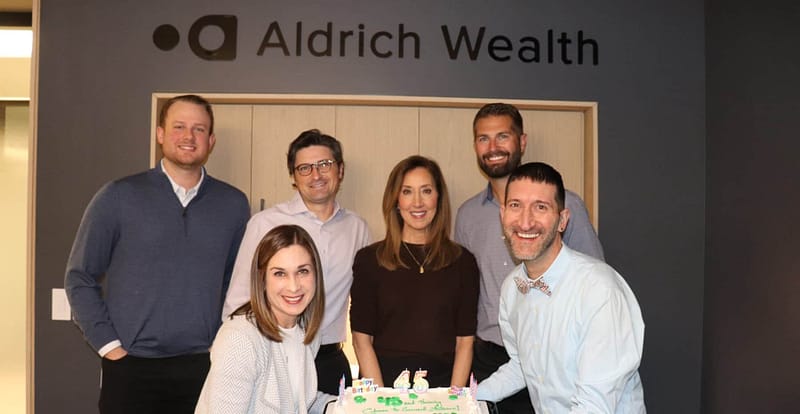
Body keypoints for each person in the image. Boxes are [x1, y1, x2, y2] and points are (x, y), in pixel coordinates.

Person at [65, 94, 251, 413]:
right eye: (179, 126)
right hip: (130, 369)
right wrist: (111, 349)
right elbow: (79, 277)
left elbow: (238, 285)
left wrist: (222, 343)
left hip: (204, 367)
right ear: (161, 133)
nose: (189, 136)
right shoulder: (118, 196)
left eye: (199, 129)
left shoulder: (233, 204)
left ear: (211, 140)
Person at [455, 102, 604, 412]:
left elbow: (593, 281)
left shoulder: (567, 206)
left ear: (521, 141)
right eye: (484, 138)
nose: (493, 147)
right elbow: (465, 292)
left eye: (503, 136)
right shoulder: (467, 215)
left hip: (556, 358)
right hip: (492, 358)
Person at [475, 162, 645, 412]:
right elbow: (522, 365)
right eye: (515, 206)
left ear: (562, 220)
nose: (525, 221)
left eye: (540, 207)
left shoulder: (600, 290)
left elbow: (594, 406)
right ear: (503, 215)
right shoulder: (512, 287)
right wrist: (465, 400)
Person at [223, 129, 371, 394]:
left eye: (324, 164)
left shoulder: (357, 228)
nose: (316, 175)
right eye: (304, 168)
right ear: (293, 176)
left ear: (340, 170)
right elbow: (238, 303)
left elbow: (367, 303)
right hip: (273, 356)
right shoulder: (265, 223)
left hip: (330, 360)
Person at [350, 155, 479, 388]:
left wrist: (453, 399)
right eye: (407, 191)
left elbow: (465, 343)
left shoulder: (463, 262)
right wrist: (381, 401)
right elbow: (361, 340)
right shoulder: (369, 261)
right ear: (396, 200)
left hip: (444, 388)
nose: (417, 202)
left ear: (438, 198)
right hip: (384, 385)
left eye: (426, 191)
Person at [196, 225, 334, 413]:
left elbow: (299, 402)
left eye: (302, 271)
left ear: (316, 275)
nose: (294, 287)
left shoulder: (306, 331)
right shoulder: (239, 338)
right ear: (262, 280)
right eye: (280, 273)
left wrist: (352, 406)